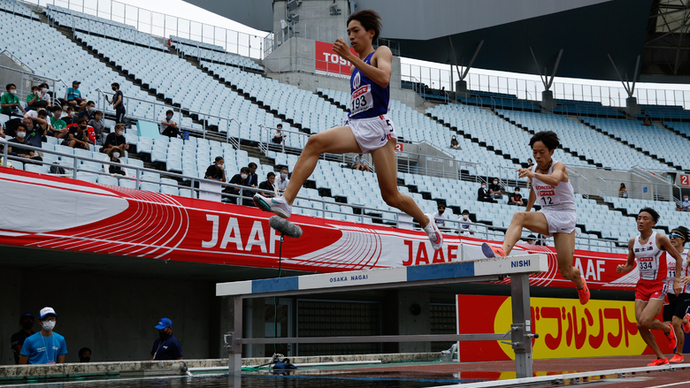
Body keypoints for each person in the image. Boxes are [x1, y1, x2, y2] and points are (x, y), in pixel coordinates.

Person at [253, 9, 443, 250]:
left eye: (356, 31)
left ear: (370, 32)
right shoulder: (355, 68)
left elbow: (384, 79)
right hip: (357, 124)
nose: (351, 37)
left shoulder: (380, 53)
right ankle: (286, 201)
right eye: (349, 32)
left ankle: (427, 222)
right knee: (315, 142)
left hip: (377, 126)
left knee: (391, 196)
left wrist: (350, 58)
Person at [482, 131, 590, 305]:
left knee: (566, 271)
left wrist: (532, 175)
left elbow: (554, 180)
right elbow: (534, 190)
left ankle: (580, 283)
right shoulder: (533, 170)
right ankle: (502, 252)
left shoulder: (558, 166)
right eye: (535, 152)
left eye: (542, 152)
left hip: (565, 217)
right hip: (547, 214)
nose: (538, 156)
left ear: (551, 152)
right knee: (518, 216)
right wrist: (527, 212)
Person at [616, 208, 683, 366]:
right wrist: (622, 268)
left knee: (645, 320)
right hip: (642, 285)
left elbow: (678, 258)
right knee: (640, 324)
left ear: (652, 223)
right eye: (639, 218)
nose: (640, 221)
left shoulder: (659, 238)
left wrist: (676, 280)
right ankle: (661, 356)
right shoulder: (633, 242)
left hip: (658, 285)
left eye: (645, 218)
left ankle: (667, 328)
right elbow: (630, 265)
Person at [663, 226, 690, 363]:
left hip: (685, 292)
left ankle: (679, 354)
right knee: (667, 324)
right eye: (670, 235)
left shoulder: (687, 254)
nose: (672, 237)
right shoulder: (665, 254)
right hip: (669, 292)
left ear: (683, 239)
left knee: (675, 322)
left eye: (676, 235)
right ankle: (686, 320)